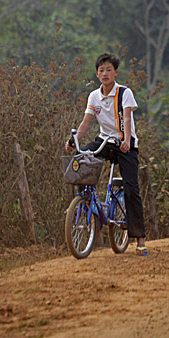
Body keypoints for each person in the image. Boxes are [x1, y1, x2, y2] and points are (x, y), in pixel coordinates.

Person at [65, 52, 148, 256]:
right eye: (101, 70)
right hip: (105, 142)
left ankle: (140, 239)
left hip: (124, 144)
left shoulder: (124, 93)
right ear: (96, 74)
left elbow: (127, 118)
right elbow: (86, 122)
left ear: (115, 72)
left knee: (131, 188)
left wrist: (127, 140)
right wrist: (72, 142)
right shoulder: (94, 96)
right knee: (82, 158)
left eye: (109, 70)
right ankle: (83, 203)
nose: (105, 73)